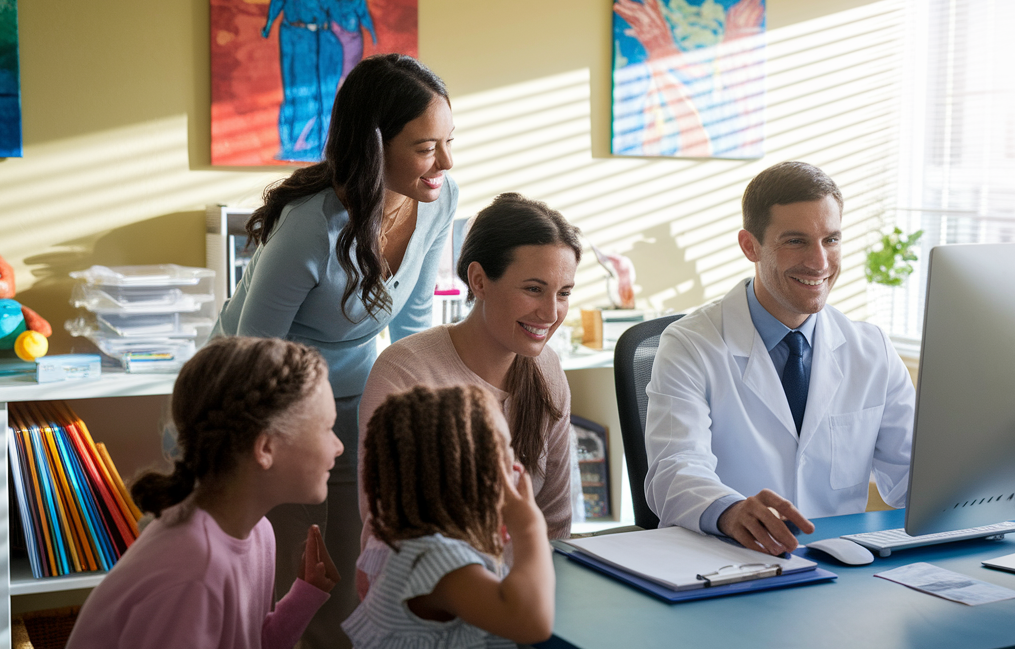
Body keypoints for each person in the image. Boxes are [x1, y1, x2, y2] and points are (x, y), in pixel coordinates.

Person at [212, 53, 457, 649]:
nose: (446, 164)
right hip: (260, 413)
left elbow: (410, 329)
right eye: (427, 147)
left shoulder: (438, 201)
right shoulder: (310, 227)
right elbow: (252, 356)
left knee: (343, 593)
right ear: (375, 147)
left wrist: (415, 425)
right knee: (270, 598)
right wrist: (287, 443)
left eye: (449, 144)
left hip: (346, 407)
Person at [47, 337, 340, 649]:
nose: (339, 447)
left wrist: (302, 600)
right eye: (327, 428)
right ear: (266, 447)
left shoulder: (257, 533)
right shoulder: (191, 568)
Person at [644, 161, 915, 555]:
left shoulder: (871, 348)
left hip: (843, 566)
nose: (820, 263)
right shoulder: (690, 344)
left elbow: (911, 478)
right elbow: (674, 470)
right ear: (749, 245)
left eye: (831, 239)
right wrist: (732, 510)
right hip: (731, 563)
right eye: (796, 241)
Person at [283, 385, 552, 649]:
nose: (517, 467)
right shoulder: (437, 561)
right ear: (473, 475)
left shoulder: (393, 542)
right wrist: (530, 524)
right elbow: (531, 621)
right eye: (504, 453)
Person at [357, 193, 579, 583]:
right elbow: (391, 529)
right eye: (533, 289)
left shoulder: (547, 370)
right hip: (431, 601)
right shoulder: (406, 372)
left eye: (563, 293)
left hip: (526, 598)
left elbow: (556, 525)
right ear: (479, 280)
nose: (550, 313)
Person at [262, 0, 325, 162]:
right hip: (290, 37)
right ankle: (289, 144)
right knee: (292, 91)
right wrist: (268, 25)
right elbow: (274, 9)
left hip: (309, 40)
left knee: (311, 91)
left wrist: (319, 24)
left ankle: (310, 143)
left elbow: (321, 17)